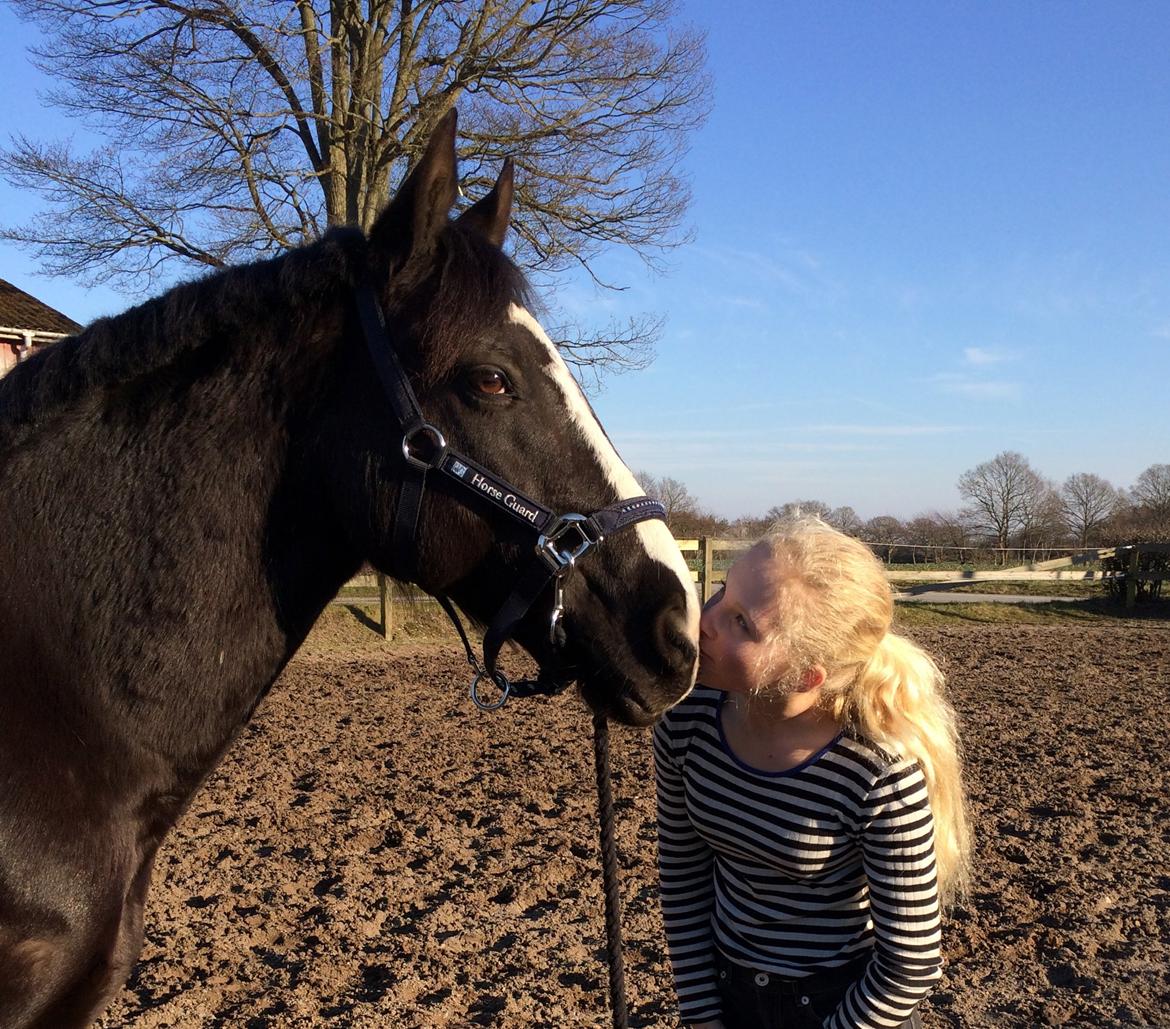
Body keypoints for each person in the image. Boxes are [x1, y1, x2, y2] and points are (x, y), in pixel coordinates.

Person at [654, 516, 970, 1029]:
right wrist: (702, 1015)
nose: (704, 620)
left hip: (846, 1007)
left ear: (806, 675)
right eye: (720, 592)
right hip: (728, 991)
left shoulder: (878, 771)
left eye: (741, 622)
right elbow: (683, 878)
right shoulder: (686, 721)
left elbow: (910, 963)